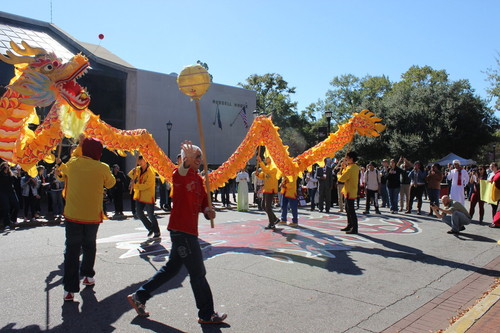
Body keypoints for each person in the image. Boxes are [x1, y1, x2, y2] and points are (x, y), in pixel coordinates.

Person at [127, 141, 227, 324]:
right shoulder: (180, 174)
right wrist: (186, 162)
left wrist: (208, 211)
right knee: (197, 272)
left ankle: (139, 296)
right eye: (196, 156)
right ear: (186, 159)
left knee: (171, 269)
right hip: (182, 232)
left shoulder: (199, 179)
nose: (199, 159)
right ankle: (207, 313)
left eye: (200, 157)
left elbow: (205, 203)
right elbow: (180, 172)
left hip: (189, 231)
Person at [56, 137, 116, 301]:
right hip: (92, 217)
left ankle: (69, 290)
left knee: (72, 251)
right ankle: (88, 275)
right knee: (89, 246)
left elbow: (62, 176)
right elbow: (111, 183)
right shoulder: (102, 167)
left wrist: (59, 167)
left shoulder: (73, 163)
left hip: (73, 215)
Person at [128, 156, 160, 240]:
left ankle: (156, 231)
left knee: (150, 214)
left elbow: (147, 185)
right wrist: (133, 177)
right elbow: (131, 175)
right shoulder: (138, 169)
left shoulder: (151, 171)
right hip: (140, 195)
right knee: (139, 212)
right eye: (138, 161)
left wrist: (136, 186)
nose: (139, 162)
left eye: (141, 160)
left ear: (146, 160)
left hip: (148, 195)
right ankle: (150, 227)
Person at [338, 152, 360, 234]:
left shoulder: (351, 168)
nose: (346, 159)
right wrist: (344, 168)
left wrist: (338, 175)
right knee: (348, 209)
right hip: (349, 190)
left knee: (351, 210)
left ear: (351, 159)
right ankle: (350, 225)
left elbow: (342, 178)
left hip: (350, 191)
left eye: (347, 158)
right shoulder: (353, 167)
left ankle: (354, 227)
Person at [256, 155, 280, 229]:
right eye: (265, 157)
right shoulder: (267, 166)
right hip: (266, 188)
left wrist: (260, 162)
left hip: (271, 189)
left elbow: (267, 171)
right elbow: (263, 175)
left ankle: (271, 223)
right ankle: (275, 219)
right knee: (263, 205)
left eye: (267, 157)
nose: (266, 158)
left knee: (268, 206)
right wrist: (258, 175)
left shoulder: (274, 167)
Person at [0, 161, 19, 229]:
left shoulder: (10, 174)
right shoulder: (1, 174)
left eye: (8, 165)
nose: (7, 166)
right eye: (6, 165)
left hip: (11, 191)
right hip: (3, 192)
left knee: (16, 205)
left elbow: (16, 181)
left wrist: (18, 174)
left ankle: (13, 219)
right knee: (6, 208)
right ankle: (6, 223)